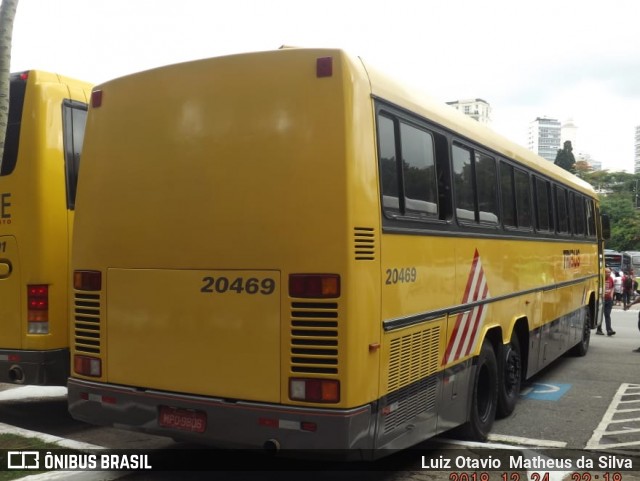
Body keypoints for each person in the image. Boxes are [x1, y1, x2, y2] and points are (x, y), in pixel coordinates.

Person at [597, 267, 616, 336]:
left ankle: (609, 330)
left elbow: (613, 287)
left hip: (609, 299)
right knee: (601, 315)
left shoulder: (611, 279)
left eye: (609, 272)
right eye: (607, 272)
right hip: (601, 299)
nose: (609, 273)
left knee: (607, 315)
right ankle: (599, 329)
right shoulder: (601, 279)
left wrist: (611, 294)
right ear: (604, 272)